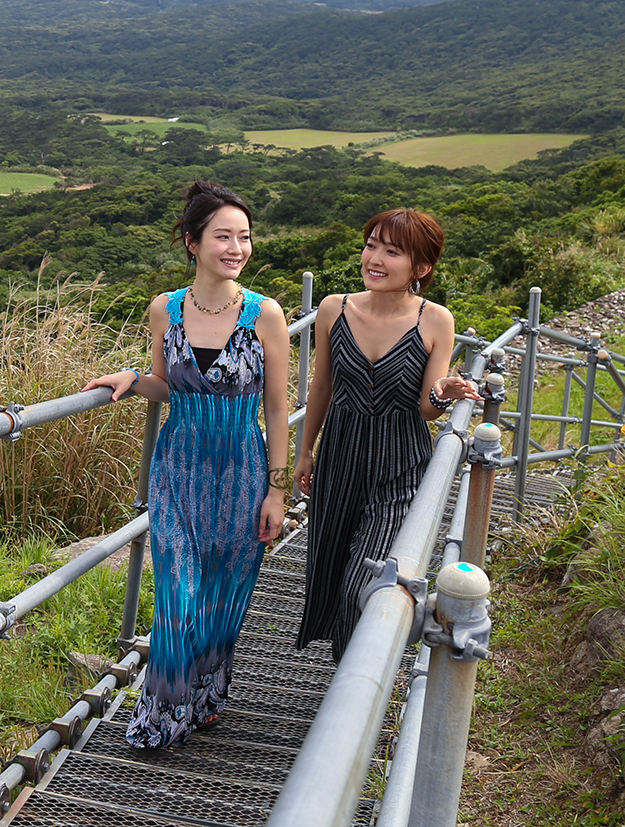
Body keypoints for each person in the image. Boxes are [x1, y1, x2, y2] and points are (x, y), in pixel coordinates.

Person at [83, 181, 290, 749]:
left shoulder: (264, 314)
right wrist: (131, 378)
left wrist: (276, 492)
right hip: (178, 470)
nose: (237, 247)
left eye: (245, 237)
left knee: (224, 597)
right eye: (223, 236)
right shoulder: (164, 310)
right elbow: (165, 384)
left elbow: (277, 406)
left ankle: (205, 698)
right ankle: (160, 716)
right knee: (178, 594)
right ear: (193, 242)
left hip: (243, 471)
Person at [292, 208, 481, 660]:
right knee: (333, 571)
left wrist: (444, 393)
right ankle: (346, 672)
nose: (374, 257)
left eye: (392, 251)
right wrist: (305, 453)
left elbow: (425, 405)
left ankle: (355, 686)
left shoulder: (435, 319)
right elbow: (322, 385)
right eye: (371, 244)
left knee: (366, 579)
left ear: (421, 267)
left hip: (399, 468)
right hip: (338, 463)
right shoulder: (334, 308)